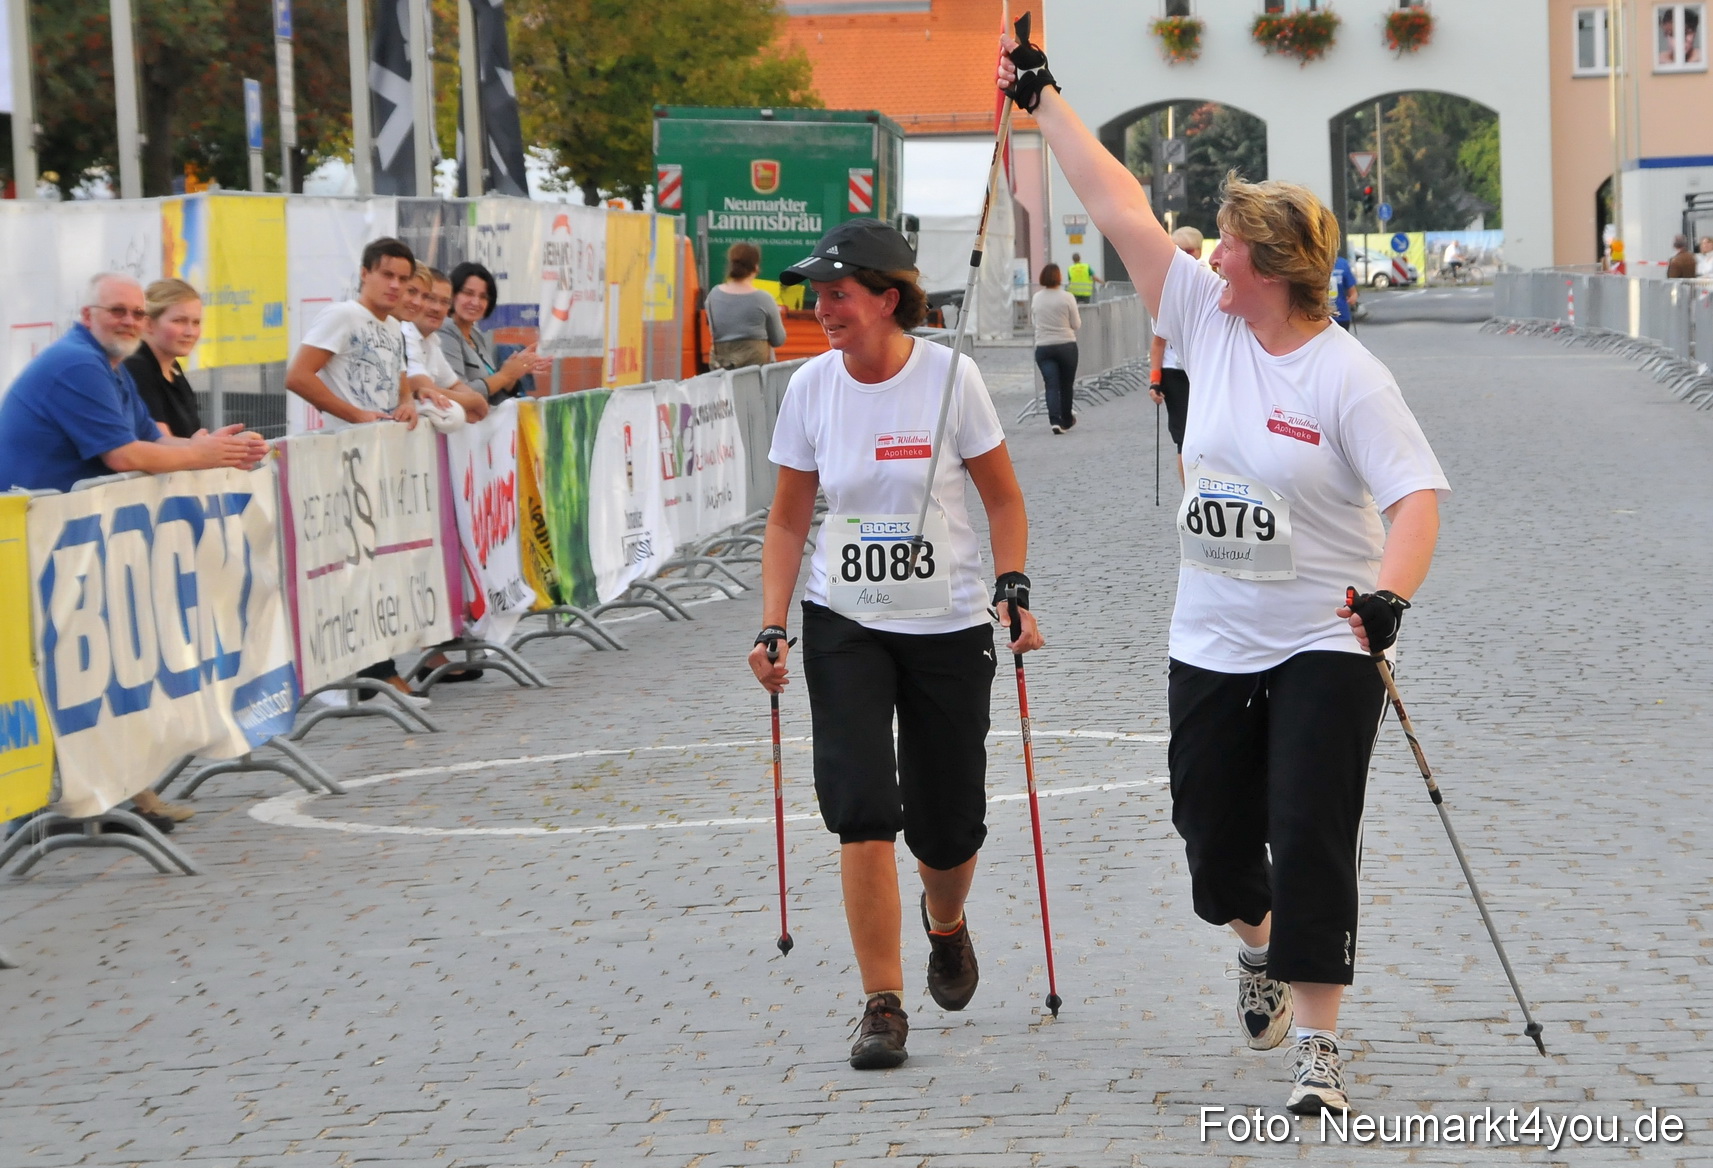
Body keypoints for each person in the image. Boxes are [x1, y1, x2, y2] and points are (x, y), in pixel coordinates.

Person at [1001, 31, 1449, 1115]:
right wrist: (1045, 101)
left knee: (1308, 828)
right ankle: (1257, 948)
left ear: (1276, 266)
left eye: (1234, 248)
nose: (1214, 260)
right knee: (1213, 848)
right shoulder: (1205, 313)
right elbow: (1118, 209)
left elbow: (1417, 500)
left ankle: (1319, 1050)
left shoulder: (1349, 376)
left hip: (1322, 637)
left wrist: (1390, 597)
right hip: (1210, 629)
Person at [746, 218, 1044, 1071]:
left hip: (946, 623)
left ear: (886, 298)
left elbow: (1003, 500)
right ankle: (882, 1001)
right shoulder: (810, 388)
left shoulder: (952, 380)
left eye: (836, 293)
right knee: (862, 804)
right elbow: (788, 518)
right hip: (845, 621)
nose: (820, 308)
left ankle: (943, 919)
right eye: (815, 294)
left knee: (947, 827)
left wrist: (1010, 581)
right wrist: (773, 622)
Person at [283, 237, 432, 707]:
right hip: (344, 460)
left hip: (381, 461)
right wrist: (357, 416)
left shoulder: (392, 327)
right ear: (365, 273)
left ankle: (377, 676)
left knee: (381, 567)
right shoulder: (344, 315)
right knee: (357, 567)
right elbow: (299, 375)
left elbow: (399, 379)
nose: (395, 285)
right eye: (386, 275)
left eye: (403, 279)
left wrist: (406, 405)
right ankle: (376, 678)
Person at [0, 272, 266, 494]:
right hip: (26, 529)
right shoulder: (79, 362)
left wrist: (222, 448)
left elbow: (155, 439)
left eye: (138, 313)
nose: (129, 321)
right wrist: (201, 455)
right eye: (117, 311)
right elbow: (124, 455)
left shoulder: (111, 363)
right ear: (87, 316)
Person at [438, 261, 549, 403]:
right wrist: (505, 375)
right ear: (452, 295)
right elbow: (456, 393)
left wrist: (514, 371)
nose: (475, 302)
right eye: (468, 293)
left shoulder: (476, 335)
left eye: (483, 297)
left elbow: (494, 394)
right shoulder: (444, 331)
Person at [1149, 226, 1206, 483]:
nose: (1182, 256)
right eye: (1177, 251)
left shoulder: (1212, 283)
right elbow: (1158, 343)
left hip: (1204, 371)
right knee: (1183, 440)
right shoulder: (1164, 290)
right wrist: (1155, 380)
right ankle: (1190, 497)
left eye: (1187, 251)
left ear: (1199, 251)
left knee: (1209, 436)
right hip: (1174, 373)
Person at [123, 278, 204, 439]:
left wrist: (235, 445)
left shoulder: (173, 367)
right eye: (179, 321)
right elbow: (161, 443)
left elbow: (191, 440)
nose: (190, 332)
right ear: (148, 324)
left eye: (196, 322)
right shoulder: (136, 367)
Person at [706, 242, 787, 369]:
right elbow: (778, 339)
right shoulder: (764, 299)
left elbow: (714, 331)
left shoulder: (713, 295)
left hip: (721, 371)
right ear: (755, 267)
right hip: (755, 373)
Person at [1030, 263, 1080, 434]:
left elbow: (1034, 322)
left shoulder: (1037, 298)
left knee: (1051, 385)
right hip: (1066, 345)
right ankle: (1066, 419)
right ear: (1059, 277)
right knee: (1066, 384)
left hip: (1044, 346)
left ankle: (1054, 420)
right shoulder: (1067, 297)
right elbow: (1076, 323)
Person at [1328, 250, 1359, 330]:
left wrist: (1352, 298)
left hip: (1341, 316)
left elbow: (1353, 292)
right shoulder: (1313, 264)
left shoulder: (1343, 264)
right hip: (1321, 318)